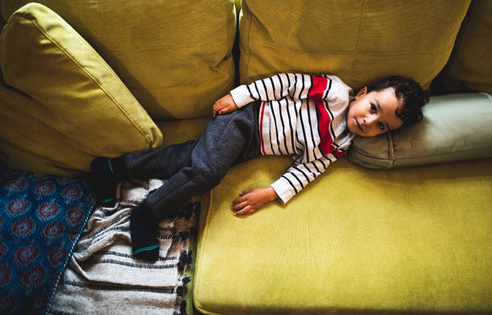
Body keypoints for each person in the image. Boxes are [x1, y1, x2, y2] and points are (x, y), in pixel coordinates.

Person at [90, 73, 429, 261]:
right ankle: (147, 212)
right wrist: (240, 97)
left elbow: (309, 169)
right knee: (206, 172)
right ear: (364, 93)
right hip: (245, 117)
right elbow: (286, 83)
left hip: (251, 147)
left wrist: (271, 192)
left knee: (188, 160)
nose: (369, 121)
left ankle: (112, 168)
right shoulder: (337, 92)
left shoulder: (341, 144)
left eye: (381, 125)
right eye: (373, 107)